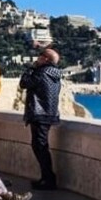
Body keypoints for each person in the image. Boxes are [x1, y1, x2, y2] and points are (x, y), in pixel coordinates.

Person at [19, 44, 63, 190]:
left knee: (40, 147)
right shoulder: (55, 73)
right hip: (50, 114)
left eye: (40, 56)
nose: (37, 58)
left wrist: (30, 69)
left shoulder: (41, 72)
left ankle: (48, 179)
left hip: (39, 113)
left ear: (45, 59)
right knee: (41, 146)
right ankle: (47, 178)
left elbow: (24, 83)